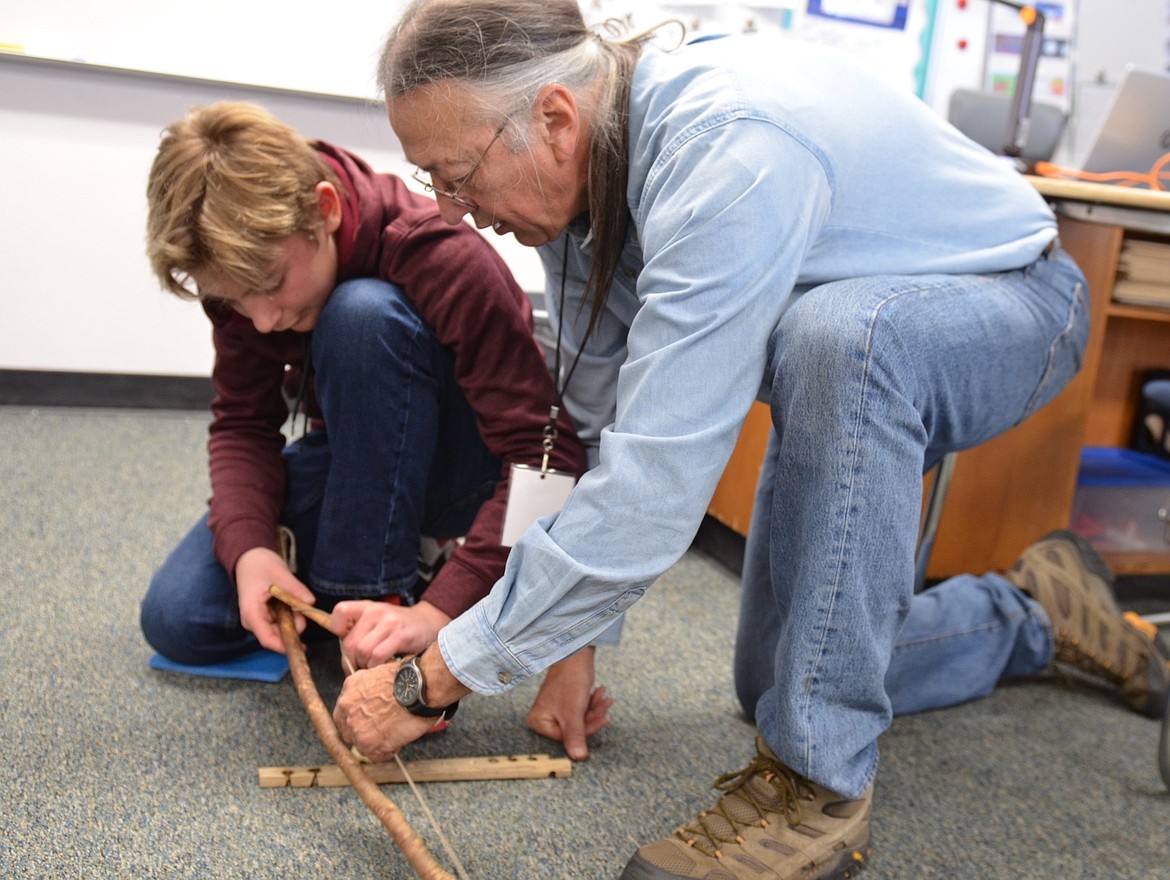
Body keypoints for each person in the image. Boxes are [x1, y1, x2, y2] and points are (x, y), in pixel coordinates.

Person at [331, 3, 1170, 878]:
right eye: (434, 183)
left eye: (458, 177)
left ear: (553, 119)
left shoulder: (727, 151)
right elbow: (577, 433)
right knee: (780, 682)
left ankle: (820, 791)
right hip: (862, 343)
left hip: (1014, 300)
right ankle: (1034, 611)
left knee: (838, 339)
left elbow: (655, 488)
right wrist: (565, 648)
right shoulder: (577, 194)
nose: (456, 213)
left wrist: (430, 679)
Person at [140, 100, 613, 760]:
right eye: (236, 302)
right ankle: (376, 581)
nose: (264, 321)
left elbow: (546, 461)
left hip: (463, 472)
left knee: (360, 316)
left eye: (271, 288)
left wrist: (439, 614)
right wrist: (253, 552)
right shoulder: (250, 284)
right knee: (178, 619)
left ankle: (389, 590)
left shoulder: (439, 254)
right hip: (355, 455)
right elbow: (245, 424)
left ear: (327, 209)